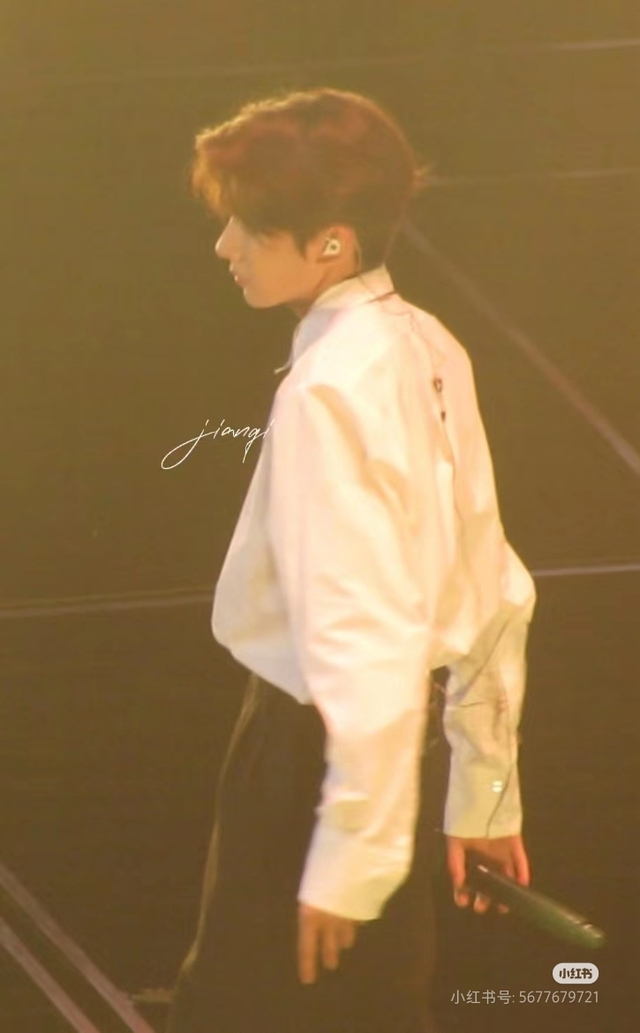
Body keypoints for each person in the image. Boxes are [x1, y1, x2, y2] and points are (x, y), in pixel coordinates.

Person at [166, 86, 536, 1033]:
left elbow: (364, 641)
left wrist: (349, 863)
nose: (225, 247)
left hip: (313, 766)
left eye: (251, 226)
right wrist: (483, 792)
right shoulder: (430, 345)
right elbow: (493, 584)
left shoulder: (327, 390)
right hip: (382, 758)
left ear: (330, 241)